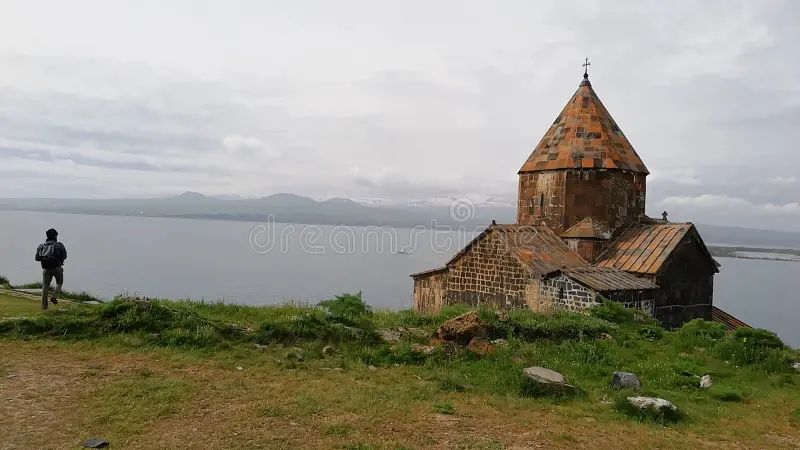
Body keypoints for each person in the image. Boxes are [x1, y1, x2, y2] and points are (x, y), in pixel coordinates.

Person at [35, 228, 68, 310]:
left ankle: (44, 305)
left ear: (47, 236)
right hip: (57, 268)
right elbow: (64, 256)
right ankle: (53, 297)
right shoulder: (59, 245)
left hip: (46, 269)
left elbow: (37, 258)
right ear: (55, 236)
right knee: (59, 283)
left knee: (45, 286)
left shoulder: (41, 246)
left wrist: (45, 258)